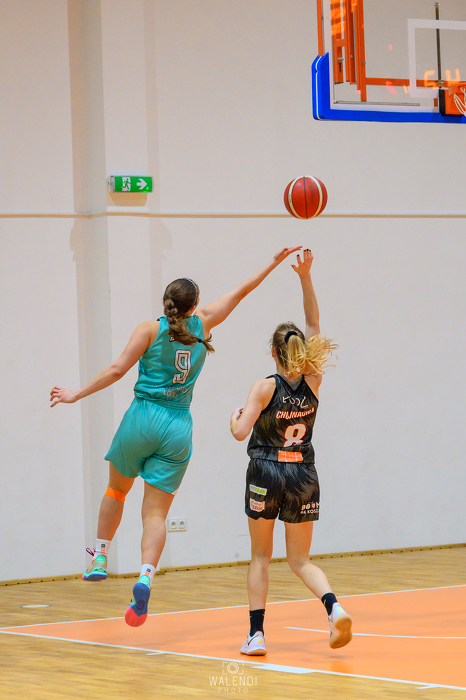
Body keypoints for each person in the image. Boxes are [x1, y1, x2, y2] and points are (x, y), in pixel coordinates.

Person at [50, 246, 300, 628]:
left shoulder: (149, 330)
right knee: (155, 514)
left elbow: (117, 370)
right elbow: (241, 292)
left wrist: (75, 394)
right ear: (194, 304)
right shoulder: (203, 324)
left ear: (166, 301)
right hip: (178, 427)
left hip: (142, 418)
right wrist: (273, 262)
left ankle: (100, 555)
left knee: (116, 491)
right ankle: (145, 577)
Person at [230, 249, 352, 655]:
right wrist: (305, 276)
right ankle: (334, 609)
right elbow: (314, 323)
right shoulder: (314, 379)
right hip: (303, 474)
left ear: (273, 353)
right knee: (301, 561)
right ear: (300, 351)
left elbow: (240, 432)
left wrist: (233, 418)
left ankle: (256, 635)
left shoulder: (265, 386)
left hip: (266, 471)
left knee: (260, 557)